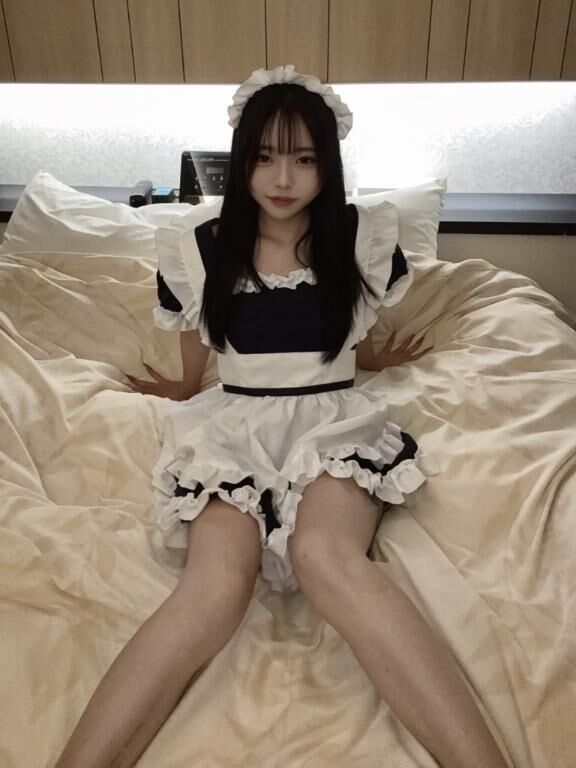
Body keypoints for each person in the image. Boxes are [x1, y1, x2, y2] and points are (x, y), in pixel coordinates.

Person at [52, 65, 511, 768]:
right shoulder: (199, 243)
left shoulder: (360, 234)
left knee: (325, 556)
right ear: (242, 161)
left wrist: (370, 357)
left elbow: (351, 319)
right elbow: (199, 327)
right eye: (265, 156)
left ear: (329, 163)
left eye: (304, 158)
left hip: (332, 421)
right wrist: (184, 385)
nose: (284, 177)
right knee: (213, 588)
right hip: (233, 424)